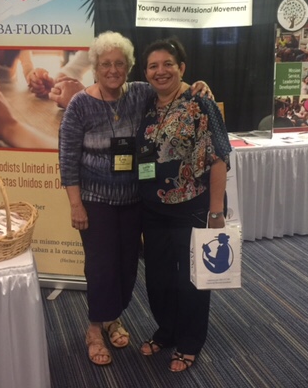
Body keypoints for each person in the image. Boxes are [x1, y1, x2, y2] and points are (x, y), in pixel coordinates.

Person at [58, 31, 212, 367]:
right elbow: (67, 159)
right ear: (95, 67)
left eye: (119, 63)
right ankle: (94, 329)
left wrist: (198, 86)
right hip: (96, 201)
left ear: (128, 67)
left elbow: (171, 87)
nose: (113, 70)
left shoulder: (140, 93)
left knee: (127, 266)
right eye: (105, 64)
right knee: (101, 267)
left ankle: (112, 318)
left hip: (135, 201)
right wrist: (75, 204)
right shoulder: (80, 105)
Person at [135, 37, 231, 373]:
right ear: (145, 72)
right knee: (158, 278)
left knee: (191, 279)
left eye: (168, 64)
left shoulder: (200, 102)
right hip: (153, 209)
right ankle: (167, 331)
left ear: (182, 68)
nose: (160, 71)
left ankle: (189, 342)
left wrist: (216, 212)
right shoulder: (148, 103)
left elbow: (219, 158)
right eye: (153, 66)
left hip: (192, 206)